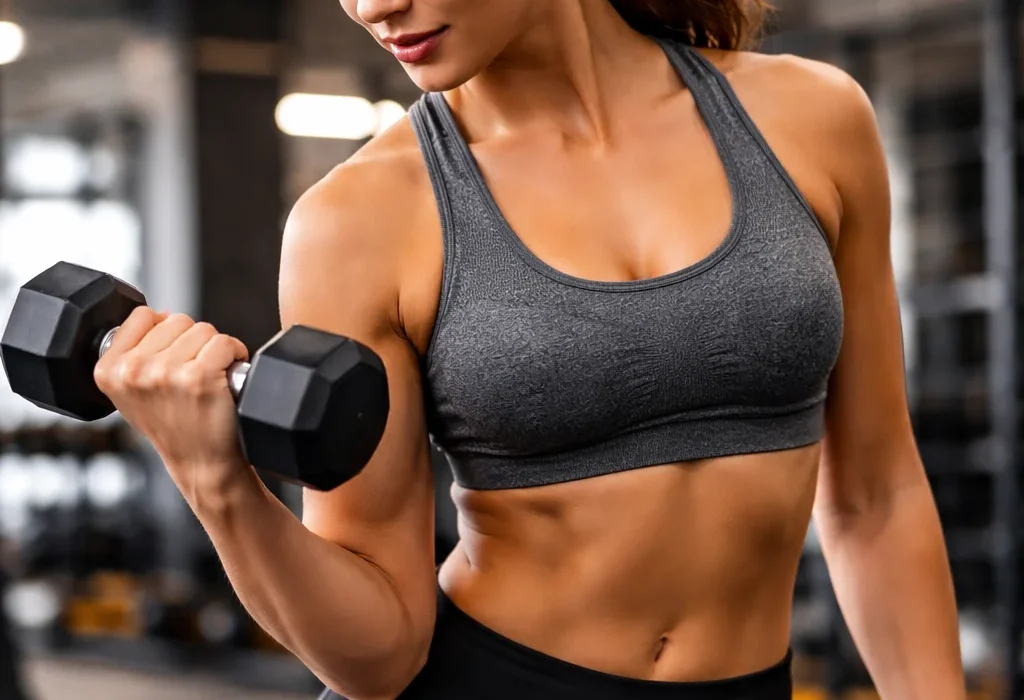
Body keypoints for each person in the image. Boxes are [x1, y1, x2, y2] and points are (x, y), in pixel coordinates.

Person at [92, 0, 967, 698]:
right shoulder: (358, 220)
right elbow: (380, 658)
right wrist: (217, 485)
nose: (370, 7)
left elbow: (876, 496)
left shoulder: (811, 117)